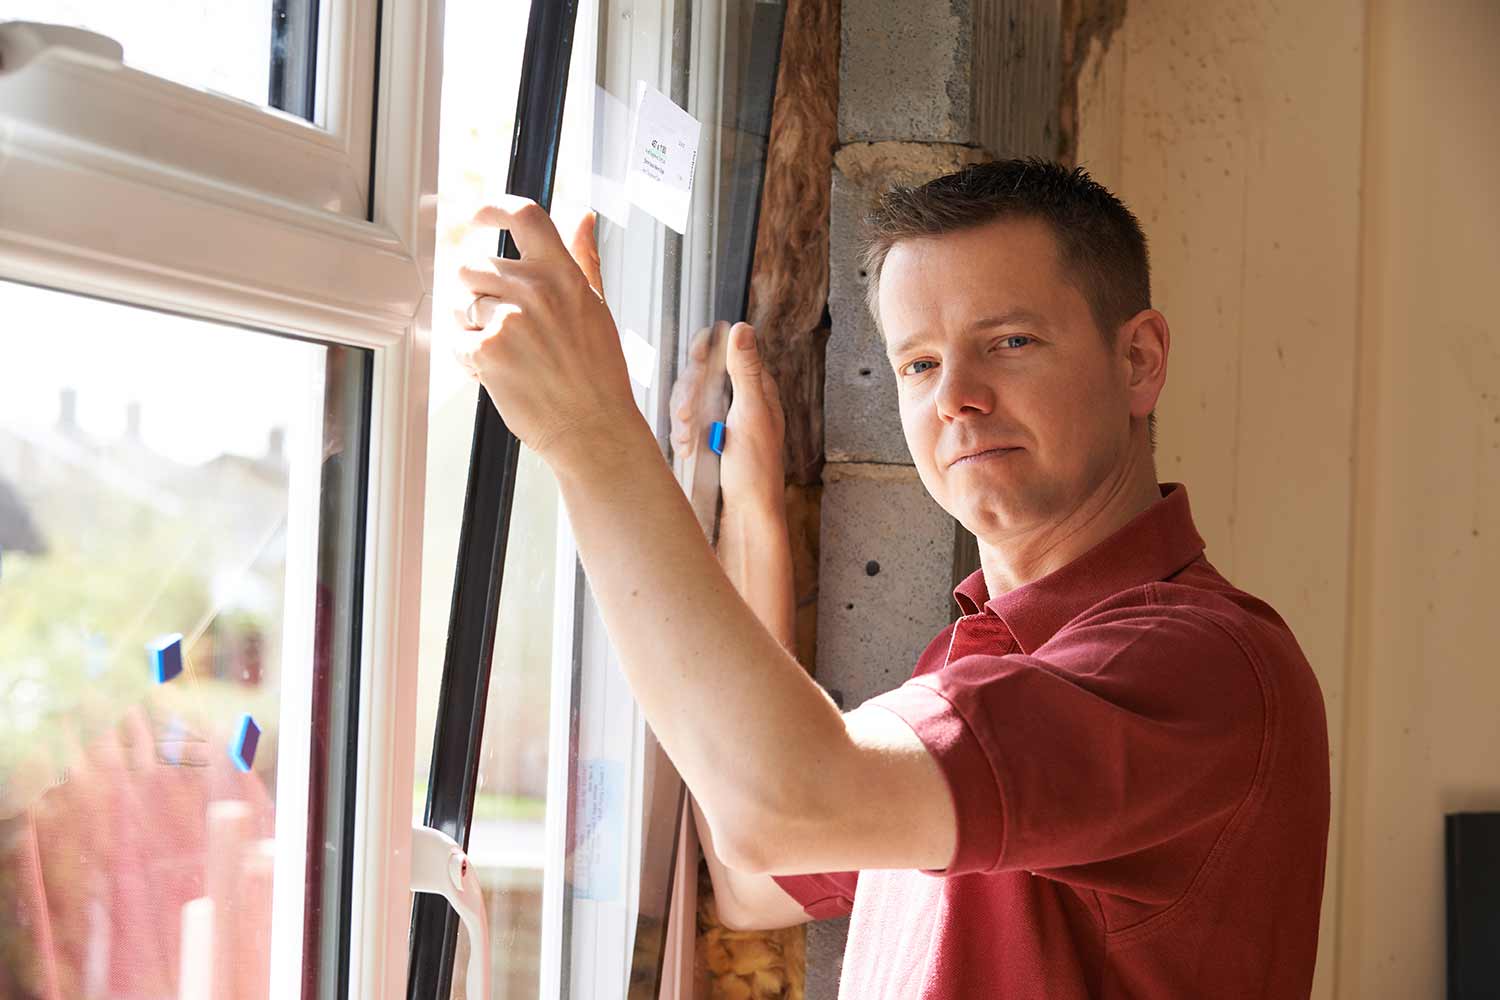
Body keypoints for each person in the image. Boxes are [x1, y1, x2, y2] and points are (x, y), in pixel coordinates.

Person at [453, 158, 1331, 998]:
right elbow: (762, 875)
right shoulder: (978, 657)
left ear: (1138, 360)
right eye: (920, 363)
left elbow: (783, 808)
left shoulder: (1197, 664)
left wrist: (589, 432)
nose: (957, 396)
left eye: (1010, 341)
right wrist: (751, 515)